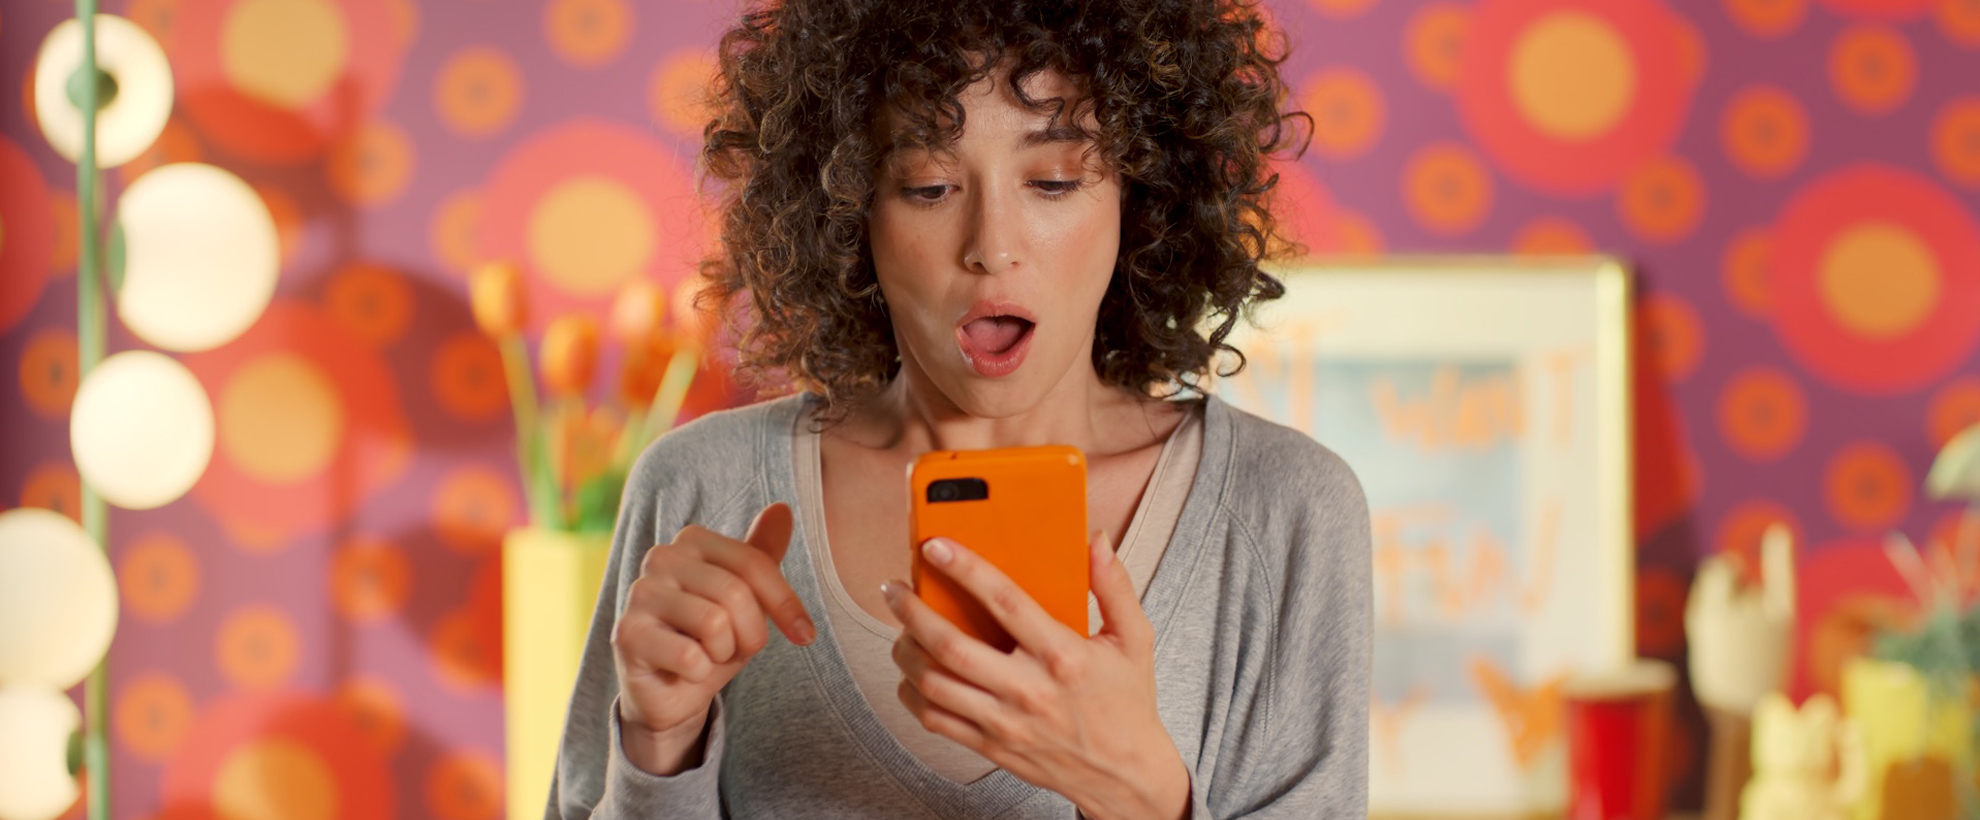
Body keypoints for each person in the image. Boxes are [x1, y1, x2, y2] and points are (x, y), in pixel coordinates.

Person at [549, 0, 1371, 816]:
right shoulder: (701, 490)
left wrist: (1143, 798)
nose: (992, 244)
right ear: (850, 212)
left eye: (1052, 181)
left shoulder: (1283, 511)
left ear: (1142, 199)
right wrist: (659, 748)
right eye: (930, 185)